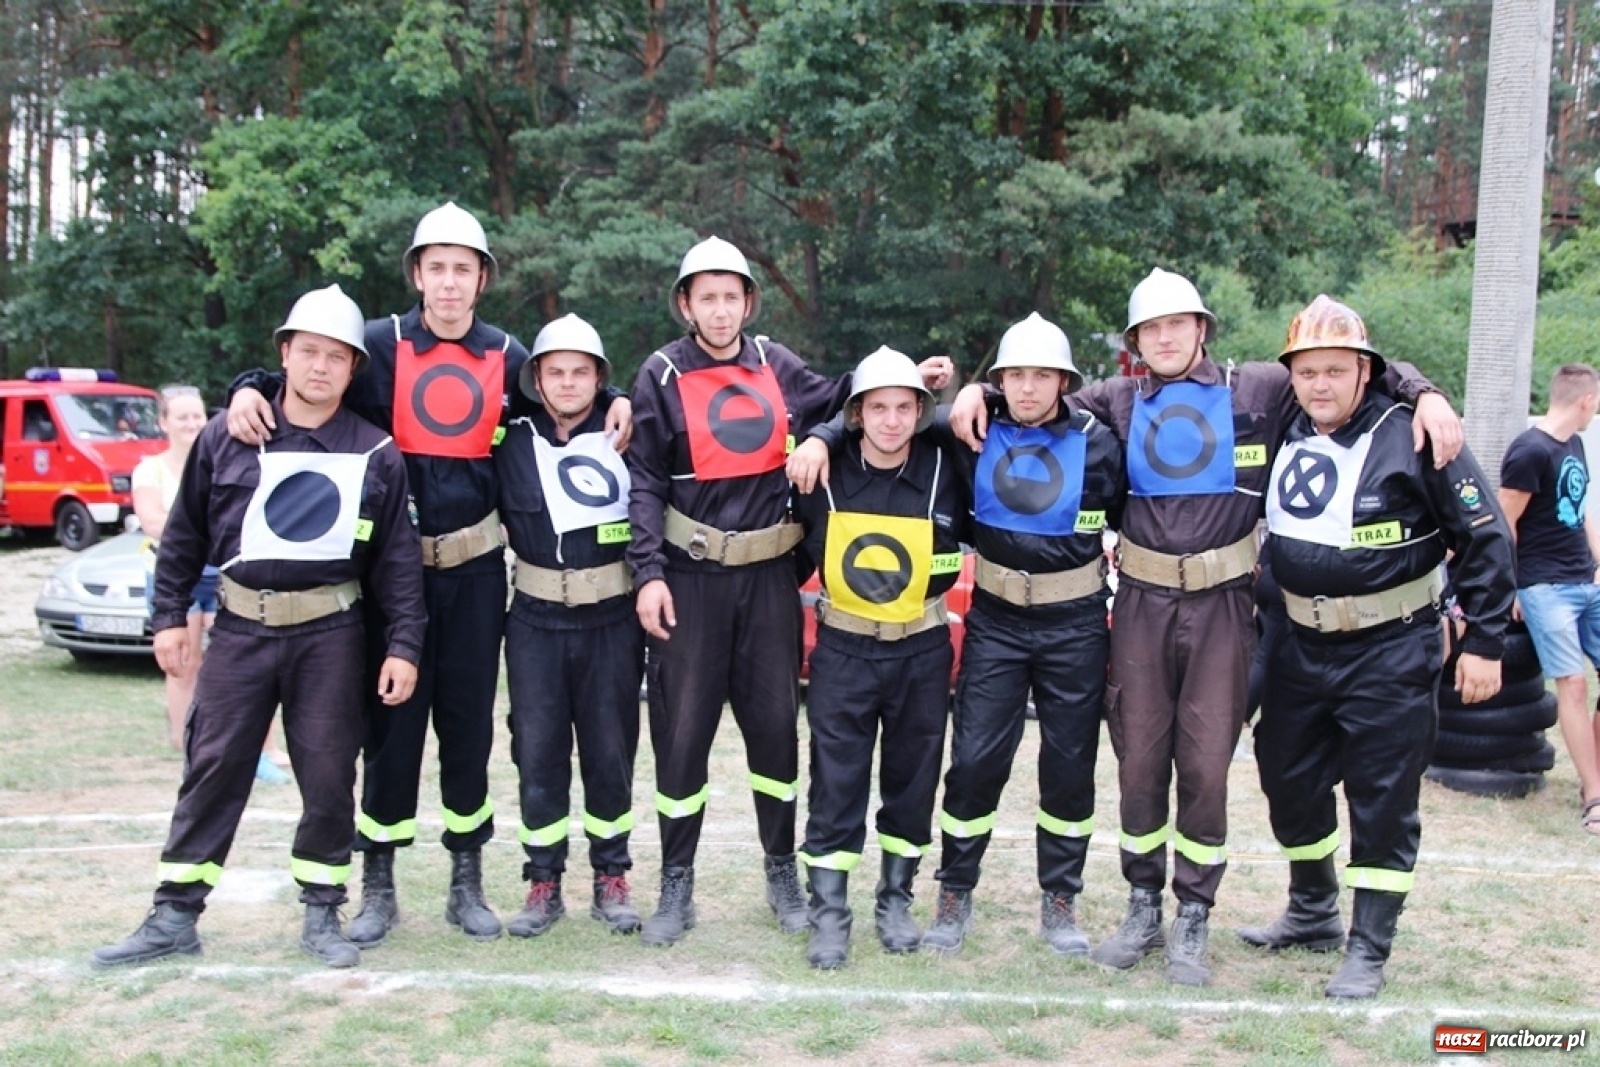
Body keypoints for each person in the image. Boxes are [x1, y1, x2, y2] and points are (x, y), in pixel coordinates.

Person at [949, 269, 1461, 985]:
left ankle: (1193, 910)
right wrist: (981, 391)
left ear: (1202, 328)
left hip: (1224, 604)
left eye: (1177, 323)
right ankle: (1140, 902)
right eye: (1150, 328)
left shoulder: (1258, 387)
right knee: (1137, 760)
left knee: (1204, 762)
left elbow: (1344, 369)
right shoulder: (1115, 400)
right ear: (1134, 342)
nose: (1164, 337)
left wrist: (1425, 390)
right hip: (1140, 606)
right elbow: (1037, 398)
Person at [225, 202, 632, 946]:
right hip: (390, 579)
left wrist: (619, 397)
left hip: (476, 572)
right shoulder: (376, 347)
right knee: (388, 729)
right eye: (435, 267)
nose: (449, 282)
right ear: (417, 273)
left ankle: (466, 878)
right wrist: (246, 384)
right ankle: (377, 881)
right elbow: (311, 371)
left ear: (482, 279)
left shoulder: (509, 354)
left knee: (469, 729)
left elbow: (568, 394)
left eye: (463, 269)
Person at [626, 235, 952, 947]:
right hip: (690, 580)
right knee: (681, 737)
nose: (719, 309)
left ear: (748, 301)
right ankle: (676, 883)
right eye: (705, 296)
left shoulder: (777, 364)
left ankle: (782, 872)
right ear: (686, 304)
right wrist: (647, 573)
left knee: (775, 735)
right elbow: (645, 480)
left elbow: (850, 399)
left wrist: (839, 425)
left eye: (731, 295)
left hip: (770, 584)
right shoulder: (659, 374)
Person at [91, 285, 426, 970]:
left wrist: (404, 645)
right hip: (240, 630)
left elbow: (397, 563)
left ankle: (322, 909)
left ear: (354, 367)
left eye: (337, 357)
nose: (321, 368)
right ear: (284, 354)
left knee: (330, 771)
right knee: (213, 765)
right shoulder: (229, 432)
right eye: (309, 352)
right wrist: (167, 619)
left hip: (332, 635)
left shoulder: (375, 451)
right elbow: (183, 535)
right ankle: (175, 911)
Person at [790, 313, 1123, 958]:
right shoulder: (970, 433)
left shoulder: (1100, 440)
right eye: (1014, 376)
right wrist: (826, 434)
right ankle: (950, 893)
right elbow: (891, 408)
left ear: (1065, 379)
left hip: (1075, 621)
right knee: (970, 764)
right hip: (994, 618)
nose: (1027, 388)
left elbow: (1137, 518)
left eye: (1042, 374)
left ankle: (1060, 900)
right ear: (998, 382)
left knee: (1070, 767)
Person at [1241, 295, 1513, 998]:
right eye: (1307, 371)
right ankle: (1311, 909)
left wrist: (1485, 643)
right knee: (1286, 778)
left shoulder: (1416, 433)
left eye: (1336, 369)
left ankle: (1369, 945)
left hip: (1391, 649)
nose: (1320, 384)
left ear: (1366, 372)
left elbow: (1486, 539)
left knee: (1382, 797)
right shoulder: (1281, 424)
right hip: (1298, 645)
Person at [783, 347, 969, 969]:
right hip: (842, 648)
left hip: (921, 648)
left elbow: (988, 417)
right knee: (836, 780)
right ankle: (830, 913)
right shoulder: (823, 467)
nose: (891, 421)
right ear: (857, 414)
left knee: (913, 778)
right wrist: (819, 434)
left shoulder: (947, 463)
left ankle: (895, 899)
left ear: (921, 411)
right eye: (878, 408)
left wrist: (969, 396)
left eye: (904, 407)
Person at [495, 314, 644, 937]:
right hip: (533, 619)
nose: (567, 383)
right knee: (538, 752)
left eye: (582, 372)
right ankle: (543, 882)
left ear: (599, 378)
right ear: (536, 377)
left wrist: (620, 402)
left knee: (610, 751)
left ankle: (612, 878)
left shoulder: (628, 432)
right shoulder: (508, 436)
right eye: (555, 372)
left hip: (611, 618)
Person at [134, 385, 290, 784]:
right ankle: (186, 741)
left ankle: (264, 747)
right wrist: (198, 522)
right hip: (179, 574)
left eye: (197, 415)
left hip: (223, 573)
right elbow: (154, 523)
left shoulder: (227, 455)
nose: (191, 423)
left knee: (250, 660)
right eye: (181, 417)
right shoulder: (149, 470)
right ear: (163, 422)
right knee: (185, 665)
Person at [1497, 363, 1600, 834]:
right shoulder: (1529, 450)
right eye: (1596, 401)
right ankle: (1593, 794)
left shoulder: (1574, 444)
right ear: (1585, 400)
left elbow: (1580, 512)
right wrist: (1512, 585)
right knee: (1573, 685)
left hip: (1585, 580)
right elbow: (1505, 523)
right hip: (1544, 586)